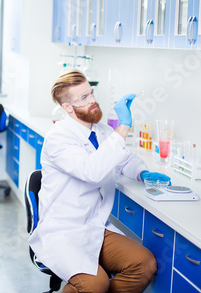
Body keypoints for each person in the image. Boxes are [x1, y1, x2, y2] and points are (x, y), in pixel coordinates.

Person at [29, 70, 169, 292]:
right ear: (67, 107)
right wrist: (123, 127)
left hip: (95, 225)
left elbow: (123, 160)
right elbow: (91, 171)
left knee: (144, 264)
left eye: (91, 93)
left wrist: (142, 173)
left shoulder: (102, 131)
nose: (93, 101)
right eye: (83, 98)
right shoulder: (58, 138)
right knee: (95, 284)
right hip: (63, 231)